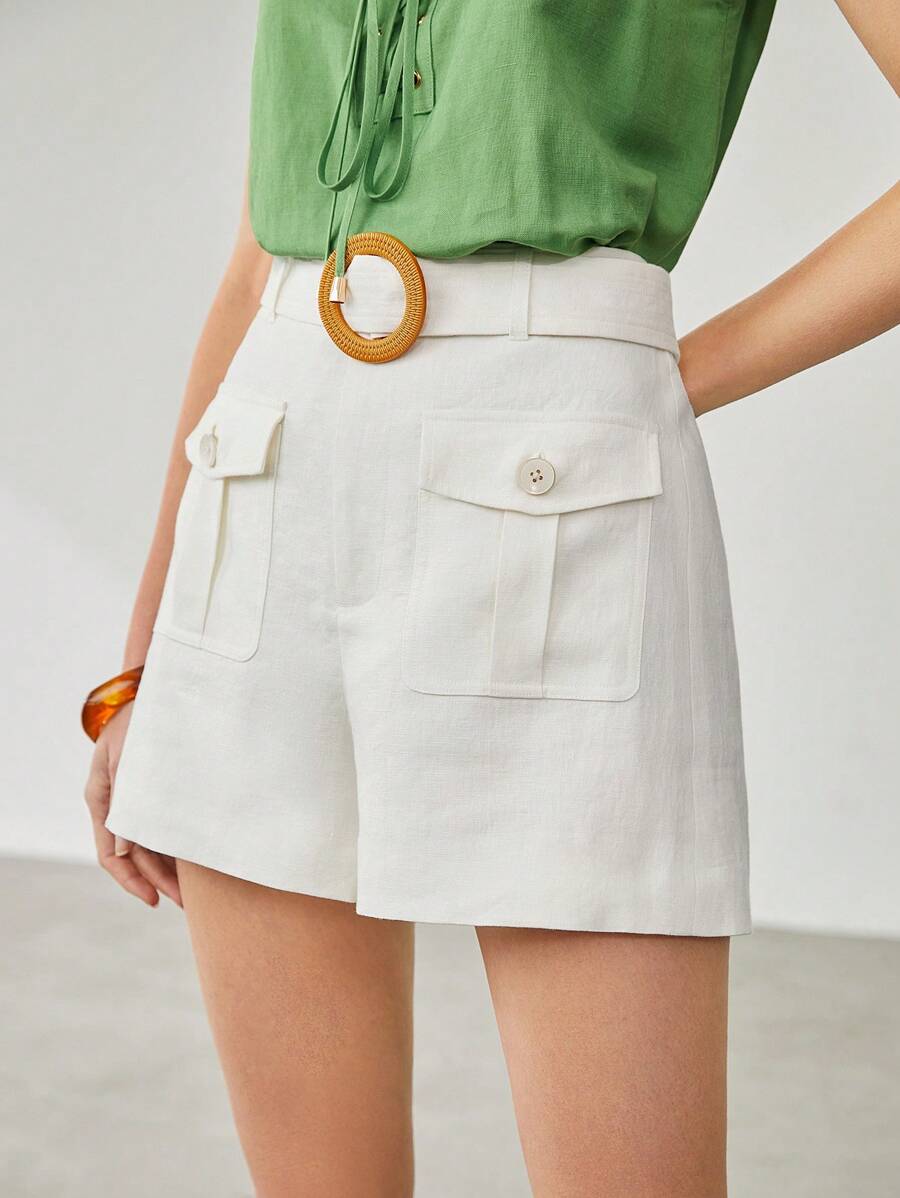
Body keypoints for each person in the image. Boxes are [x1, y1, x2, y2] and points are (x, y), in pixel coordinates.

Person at [82, 3, 899, 1194]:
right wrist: (140, 663)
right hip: (262, 476)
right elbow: (258, 260)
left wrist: (667, 375)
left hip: (556, 484)